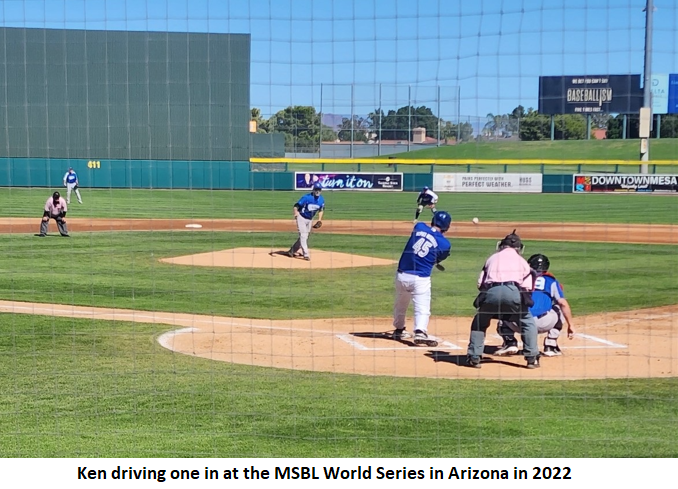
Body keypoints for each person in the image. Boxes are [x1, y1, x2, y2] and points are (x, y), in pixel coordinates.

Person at [466, 230, 539, 369]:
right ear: (519, 248)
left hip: (491, 292)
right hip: (513, 291)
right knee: (527, 322)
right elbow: (527, 287)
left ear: (501, 245)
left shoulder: (492, 259)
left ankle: (474, 357)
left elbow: (480, 284)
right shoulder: (522, 262)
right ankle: (532, 358)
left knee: (480, 322)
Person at [495, 253, 575, 357]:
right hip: (543, 323)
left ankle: (510, 342)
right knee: (559, 307)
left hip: (519, 323)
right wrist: (571, 325)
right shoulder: (551, 281)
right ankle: (551, 345)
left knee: (505, 308)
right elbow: (563, 303)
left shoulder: (519, 279)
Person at [392, 210, 452, 347]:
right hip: (420, 279)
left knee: (400, 304)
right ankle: (420, 331)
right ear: (447, 226)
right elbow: (437, 258)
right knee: (422, 308)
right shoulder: (445, 244)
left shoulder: (419, 226)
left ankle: (399, 330)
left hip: (401, 275)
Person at [287, 182, 325, 261]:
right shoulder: (306, 197)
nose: (317, 191)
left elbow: (321, 210)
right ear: (313, 190)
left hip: (310, 220)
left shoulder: (321, 200)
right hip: (301, 218)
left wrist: (319, 220)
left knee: (305, 237)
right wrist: (296, 212)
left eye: (319, 190)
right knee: (303, 235)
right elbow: (296, 205)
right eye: (316, 189)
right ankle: (306, 254)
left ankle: (292, 251)